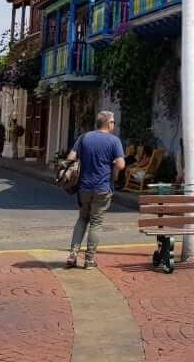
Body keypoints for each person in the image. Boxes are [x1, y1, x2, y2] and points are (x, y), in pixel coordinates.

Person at [64, 110, 125, 269]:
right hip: (102, 187)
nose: (114, 124)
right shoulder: (114, 141)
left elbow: (71, 157)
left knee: (82, 218)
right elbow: (121, 165)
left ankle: (73, 253)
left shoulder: (84, 137)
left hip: (84, 186)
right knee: (96, 223)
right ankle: (89, 260)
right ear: (108, 123)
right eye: (113, 122)